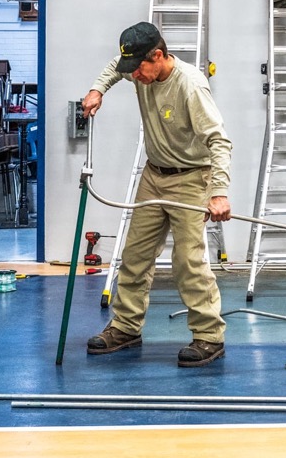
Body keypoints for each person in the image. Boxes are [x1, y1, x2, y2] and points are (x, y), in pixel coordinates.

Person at [82, 21, 233, 367]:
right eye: (131, 69)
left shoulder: (191, 85)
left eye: (138, 68)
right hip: (154, 175)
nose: (134, 76)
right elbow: (115, 67)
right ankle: (126, 327)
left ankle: (209, 336)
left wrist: (219, 192)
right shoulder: (138, 68)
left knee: (188, 262)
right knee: (134, 255)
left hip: (191, 178)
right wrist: (97, 90)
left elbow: (219, 141)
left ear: (159, 56)